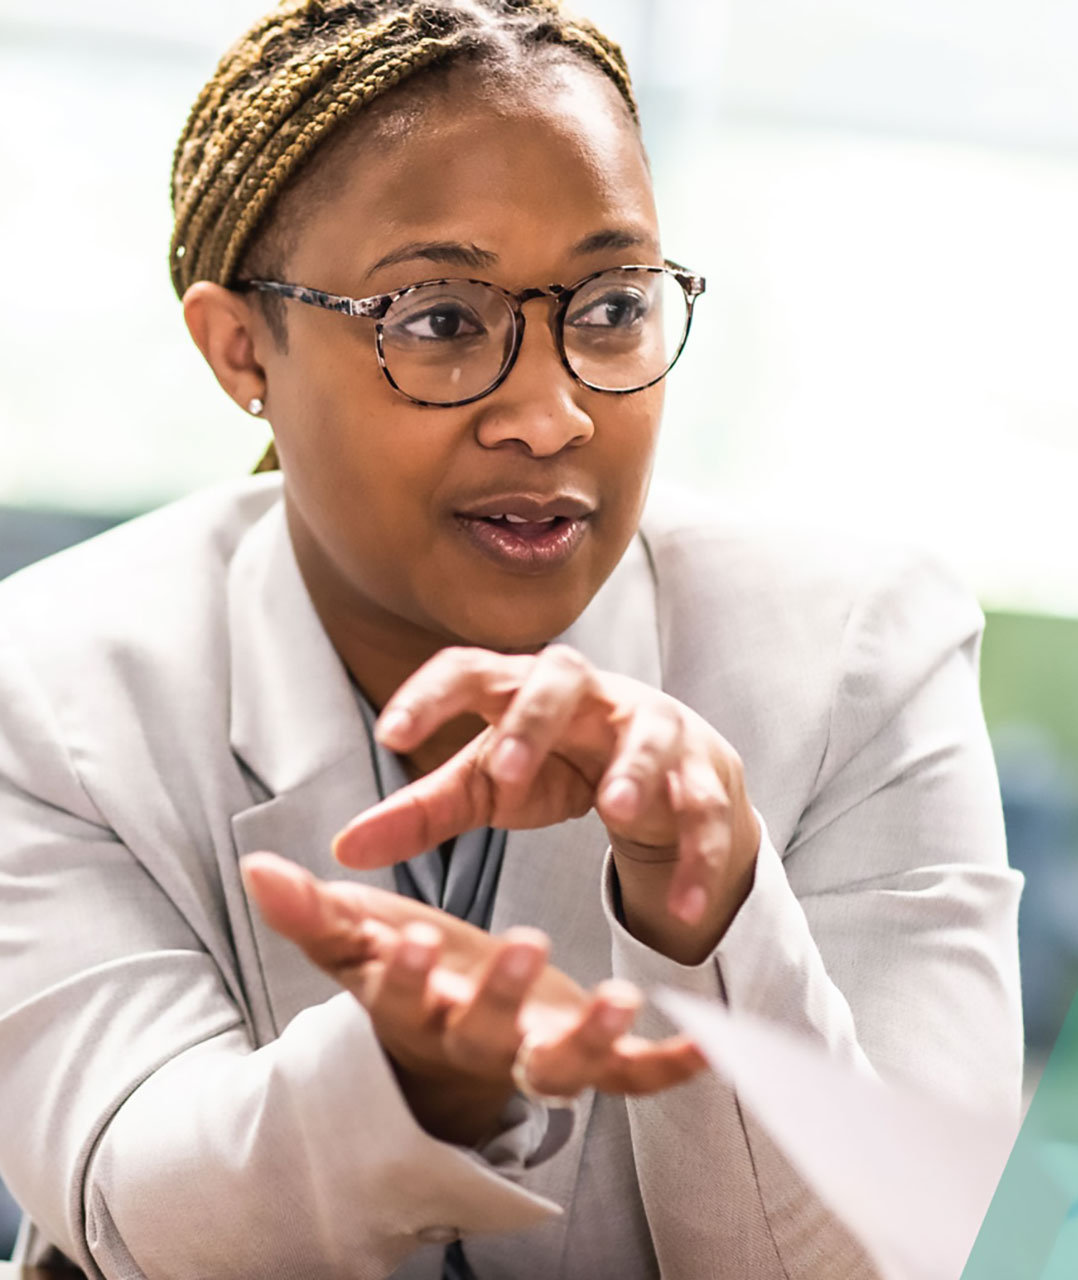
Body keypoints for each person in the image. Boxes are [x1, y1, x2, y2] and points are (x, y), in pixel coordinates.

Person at [0, 2, 1023, 1276]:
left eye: (608, 308)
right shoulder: (49, 684)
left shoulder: (863, 656)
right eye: (438, 320)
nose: (550, 416)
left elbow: (924, 1247)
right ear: (238, 347)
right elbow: (136, 1218)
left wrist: (718, 915)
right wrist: (408, 1087)